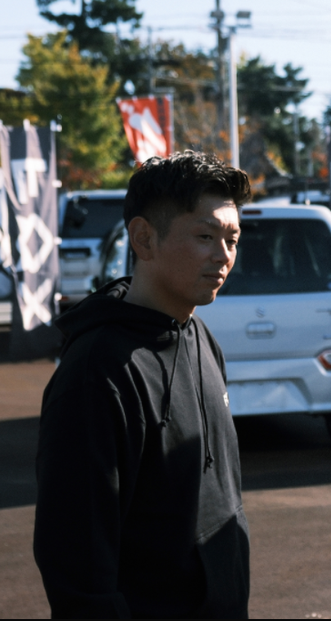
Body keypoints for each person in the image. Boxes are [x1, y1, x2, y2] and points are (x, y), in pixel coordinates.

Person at [34, 151, 251, 618]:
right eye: (205, 236)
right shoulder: (97, 374)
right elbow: (76, 563)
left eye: (232, 239)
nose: (224, 255)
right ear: (144, 238)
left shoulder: (199, 337)